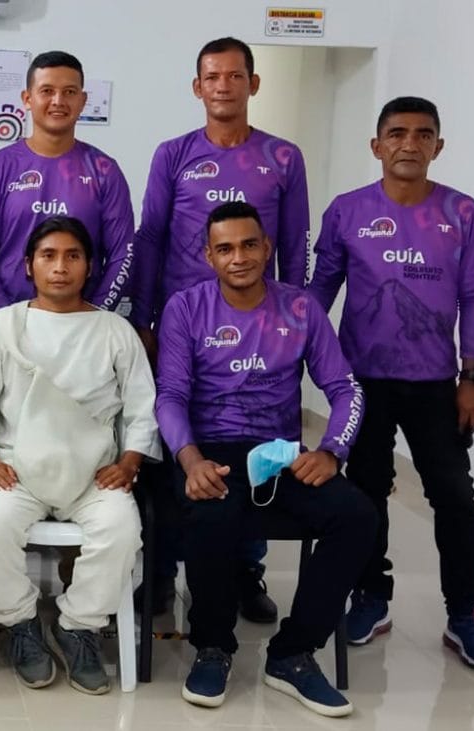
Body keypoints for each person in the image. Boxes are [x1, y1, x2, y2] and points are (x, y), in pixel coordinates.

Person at [156, 201, 374, 717]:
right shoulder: (185, 308)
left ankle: (294, 653)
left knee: (358, 516)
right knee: (214, 511)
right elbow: (169, 396)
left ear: (267, 248)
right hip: (209, 450)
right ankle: (212, 647)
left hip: (279, 455)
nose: (239, 258)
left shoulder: (300, 309)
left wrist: (332, 451)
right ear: (208, 255)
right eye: (225, 248)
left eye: (249, 245)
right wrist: (189, 460)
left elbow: (345, 389)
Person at [308, 96, 474, 669]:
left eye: (422, 134)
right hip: (362, 380)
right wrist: (293, 348)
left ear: (438, 146)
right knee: (367, 493)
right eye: (396, 133)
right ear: (377, 146)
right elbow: (322, 292)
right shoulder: (346, 210)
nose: (409, 144)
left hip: (436, 383)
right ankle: (372, 595)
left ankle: (466, 612)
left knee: (455, 498)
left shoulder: (464, 212)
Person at [132, 36, 311, 623]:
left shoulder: (283, 158)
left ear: (252, 84)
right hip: (183, 328)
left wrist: (295, 322)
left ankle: (244, 572)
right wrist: (146, 319)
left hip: (260, 329)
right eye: (213, 77)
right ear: (198, 87)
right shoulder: (173, 153)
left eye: (235, 76)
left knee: (257, 442)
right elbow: (151, 238)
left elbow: (293, 249)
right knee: (171, 444)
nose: (224, 86)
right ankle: (159, 572)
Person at [0, 216, 158, 695]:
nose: (60, 267)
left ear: (89, 266)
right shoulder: (4, 326)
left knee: (122, 529)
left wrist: (129, 463)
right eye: (48, 256)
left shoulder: (115, 330)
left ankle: (77, 626)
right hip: (17, 469)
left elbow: (141, 408)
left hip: (94, 475)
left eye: (72, 256)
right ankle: (21, 624)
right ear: (29, 266)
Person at [0, 50, 134, 321]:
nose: (58, 101)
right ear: (27, 99)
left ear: (82, 100)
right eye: (47, 91)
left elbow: (123, 255)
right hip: (10, 323)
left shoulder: (105, 170)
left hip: (83, 328)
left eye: (69, 92)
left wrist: (95, 317)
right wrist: (7, 321)